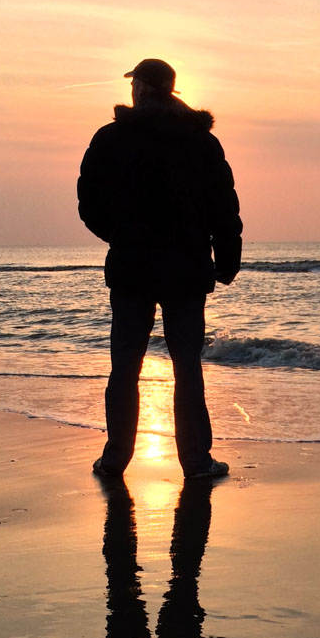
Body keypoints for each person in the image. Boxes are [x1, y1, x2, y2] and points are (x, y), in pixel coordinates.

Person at [77, 58, 242, 480]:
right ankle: (196, 461)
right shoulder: (201, 142)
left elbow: (89, 202)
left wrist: (119, 235)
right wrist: (226, 260)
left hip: (134, 267)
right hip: (185, 267)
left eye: (136, 84)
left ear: (145, 89)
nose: (131, 91)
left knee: (125, 366)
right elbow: (224, 206)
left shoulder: (112, 139)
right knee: (186, 366)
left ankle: (116, 459)